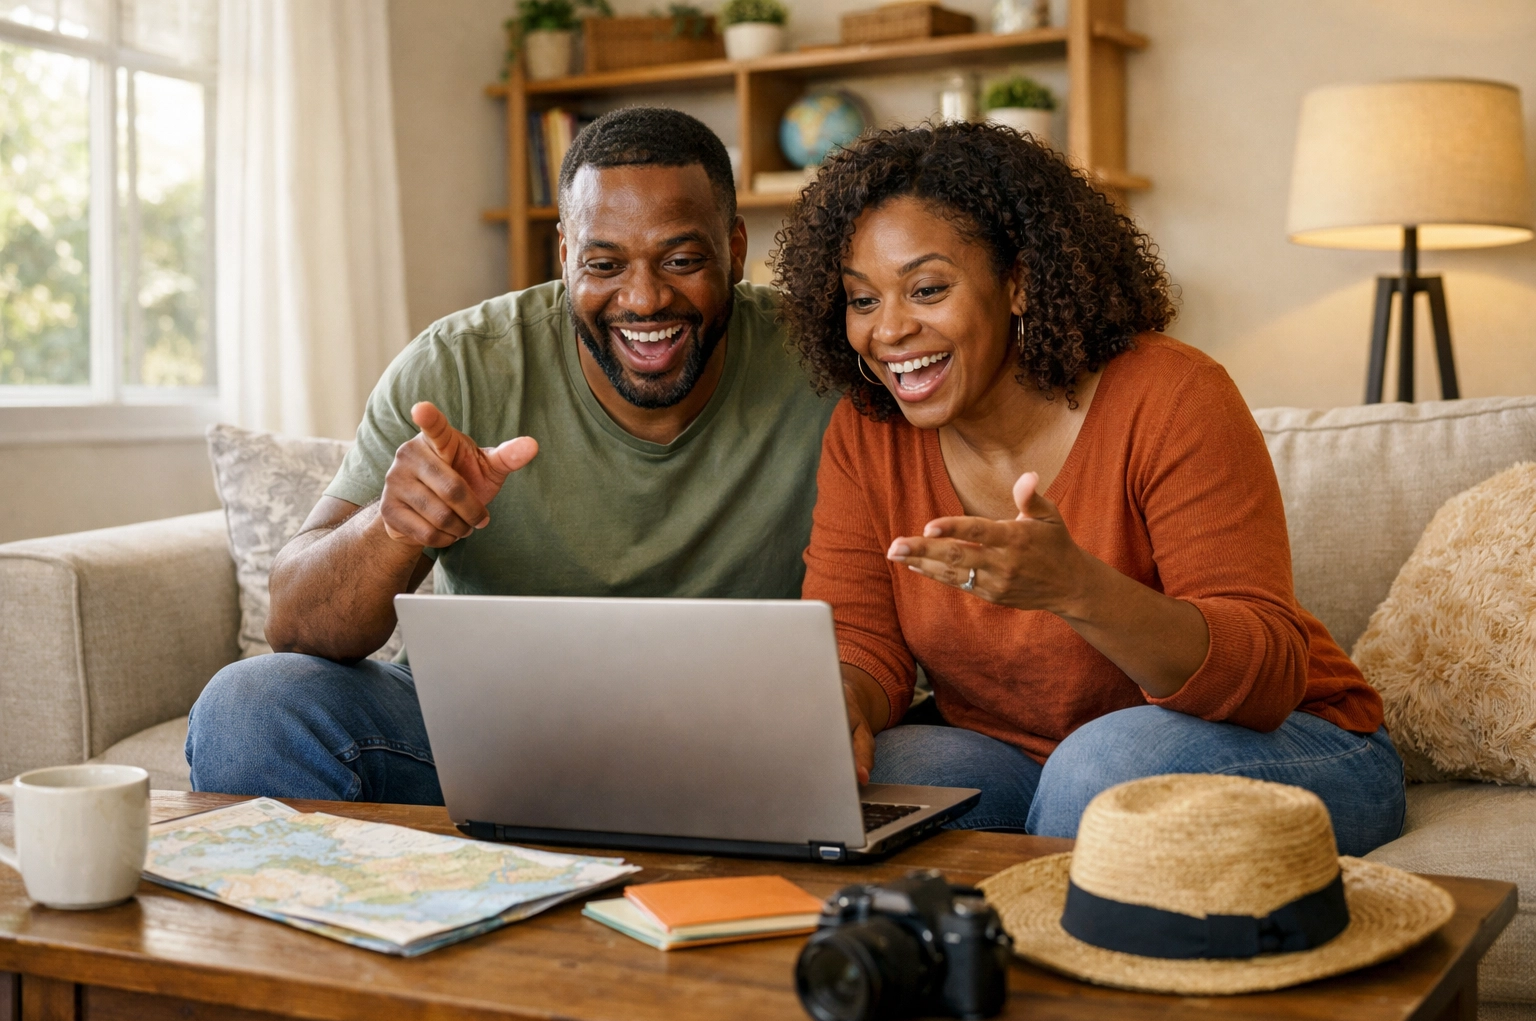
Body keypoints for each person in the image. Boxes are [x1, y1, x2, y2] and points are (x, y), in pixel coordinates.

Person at [774, 122, 1403, 857]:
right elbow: (859, 640)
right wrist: (841, 704)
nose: (890, 330)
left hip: (1293, 743)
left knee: (1098, 773)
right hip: (1020, 753)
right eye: (861, 301)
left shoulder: (1172, 397)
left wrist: (1079, 590)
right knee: (884, 783)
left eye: (927, 289)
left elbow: (1265, 674)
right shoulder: (868, 434)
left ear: (1019, 282)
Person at [186, 108, 836, 803]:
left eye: (681, 260)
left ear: (735, 248)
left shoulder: (825, 361)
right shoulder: (459, 367)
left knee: (956, 768)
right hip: (487, 736)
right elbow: (294, 623)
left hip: (743, 739)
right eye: (603, 264)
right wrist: (393, 528)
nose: (644, 299)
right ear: (563, 254)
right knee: (250, 708)